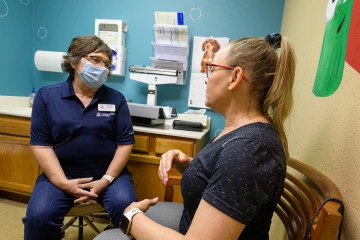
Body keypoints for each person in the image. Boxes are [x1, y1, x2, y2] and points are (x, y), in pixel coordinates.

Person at [95, 33, 296, 240]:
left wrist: (133, 218)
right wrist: (191, 167)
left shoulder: (249, 149)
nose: (206, 77)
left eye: (212, 68)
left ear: (235, 78)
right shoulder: (239, 135)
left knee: (108, 236)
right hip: (190, 224)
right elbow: (226, 177)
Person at [22, 35, 137, 240]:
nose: (102, 67)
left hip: (109, 176)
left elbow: (124, 144)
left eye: (107, 64)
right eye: (95, 59)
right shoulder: (47, 96)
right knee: (38, 217)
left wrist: (106, 180)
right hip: (61, 174)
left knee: (128, 213)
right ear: (74, 61)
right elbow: (42, 145)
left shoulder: (116, 99)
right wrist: (63, 183)